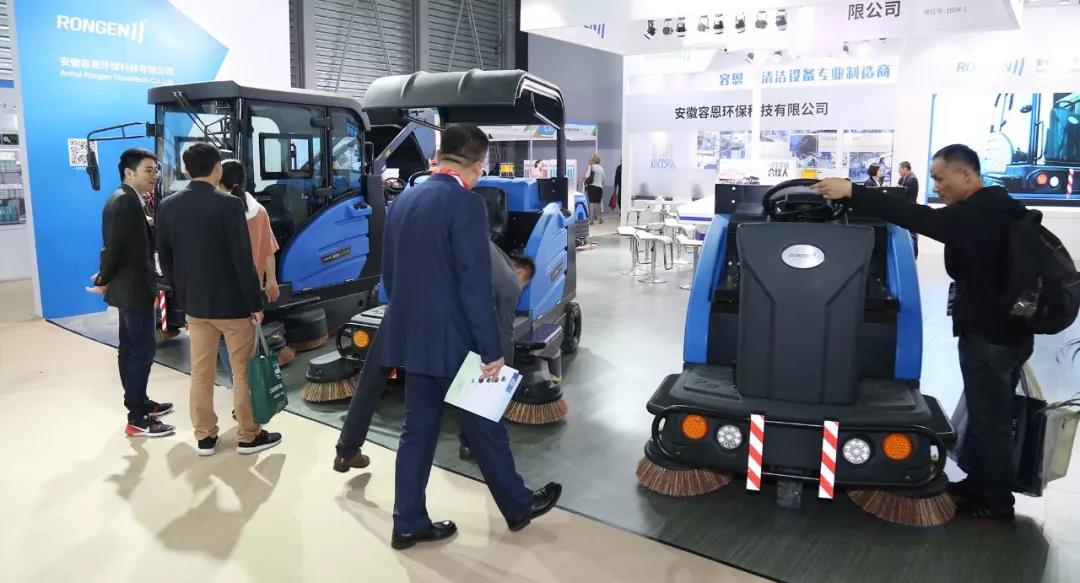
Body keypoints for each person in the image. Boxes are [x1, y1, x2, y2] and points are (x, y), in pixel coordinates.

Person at [812, 144, 1033, 522]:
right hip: (1010, 333)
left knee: (991, 421)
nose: (937, 186)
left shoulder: (978, 212)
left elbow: (919, 218)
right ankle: (979, 486)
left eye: (940, 178)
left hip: (990, 335)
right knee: (986, 414)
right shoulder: (1001, 207)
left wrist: (854, 193)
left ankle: (997, 503)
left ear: (966, 174)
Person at [380, 124, 560, 550]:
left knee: (417, 432)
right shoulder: (466, 204)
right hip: (459, 341)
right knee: (484, 424)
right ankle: (518, 506)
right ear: (478, 163)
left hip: (415, 339)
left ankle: (407, 522)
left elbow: (389, 272)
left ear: (441, 154)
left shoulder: (403, 200)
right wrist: (492, 349)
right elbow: (474, 284)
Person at [332, 251, 536, 471]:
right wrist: (502, 378)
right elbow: (503, 337)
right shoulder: (511, 282)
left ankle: (346, 451)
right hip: (438, 316)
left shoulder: (483, 248)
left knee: (372, 375)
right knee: (474, 369)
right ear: (521, 272)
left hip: (404, 298)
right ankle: (470, 444)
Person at [156, 143, 282, 456]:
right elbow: (242, 259)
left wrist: (182, 293)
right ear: (217, 168)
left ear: (185, 170)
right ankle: (249, 435)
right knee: (241, 372)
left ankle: (205, 437)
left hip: (195, 306)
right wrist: (255, 304)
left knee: (201, 373)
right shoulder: (228, 205)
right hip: (233, 306)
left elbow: (165, 256)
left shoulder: (168, 205)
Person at [89, 148, 174, 438]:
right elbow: (112, 247)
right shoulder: (125, 201)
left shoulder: (128, 199)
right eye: (148, 170)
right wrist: (104, 277)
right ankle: (137, 417)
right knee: (141, 350)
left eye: (156, 170)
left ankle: (139, 402)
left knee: (130, 348)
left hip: (132, 286)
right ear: (129, 172)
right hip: (133, 288)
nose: (155, 175)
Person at [215, 160, 281, 386]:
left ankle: (239, 388)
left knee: (224, 341)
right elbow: (268, 250)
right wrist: (271, 281)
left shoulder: (219, 210)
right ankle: (249, 389)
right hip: (251, 288)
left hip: (223, 287)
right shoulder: (259, 210)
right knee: (248, 342)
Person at [898, 161, 921, 257]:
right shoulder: (904, 178)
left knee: (912, 234)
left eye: (899, 169)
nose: (898, 171)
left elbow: (902, 194)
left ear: (905, 168)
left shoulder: (912, 179)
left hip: (910, 210)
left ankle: (913, 255)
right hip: (907, 209)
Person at [584, 154, 606, 225]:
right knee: (599, 203)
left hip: (591, 187)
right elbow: (604, 178)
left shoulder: (591, 167)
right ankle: (600, 218)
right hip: (599, 187)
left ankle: (591, 220)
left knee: (591, 203)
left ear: (593, 160)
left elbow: (586, 176)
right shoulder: (601, 168)